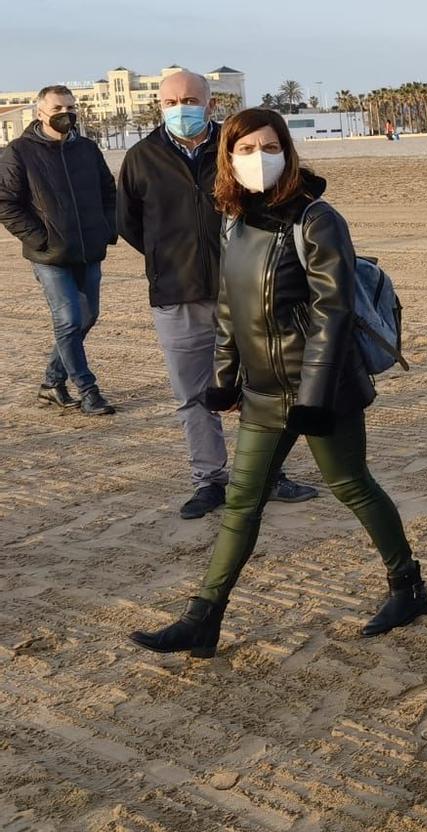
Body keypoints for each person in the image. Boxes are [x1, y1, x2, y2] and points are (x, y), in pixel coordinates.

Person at [130, 108, 427, 659]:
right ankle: (203, 619)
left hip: (320, 390)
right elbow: (228, 307)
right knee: (243, 501)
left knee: (351, 485)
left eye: (268, 147)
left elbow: (332, 313)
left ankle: (408, 585)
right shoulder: (234, 218)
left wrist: (314, 398)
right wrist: (223, 380)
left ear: (287, 151)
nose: (257, 158)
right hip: (263, 393)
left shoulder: (316, 219)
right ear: (228, 157)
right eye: (244, 149)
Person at [116, 70, 317, 516]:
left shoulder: (235, 151)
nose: (180, 108)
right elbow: (130, 224)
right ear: (160, 107)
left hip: (244, 293)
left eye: (190, 99)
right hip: (177, 295)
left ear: (209, 105)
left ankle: (266, 474)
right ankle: (210, 480)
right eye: (171, 102)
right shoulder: (141, 157)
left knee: (256, 387)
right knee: (194, 396)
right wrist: (168, 259)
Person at [0, 85, 119, 416]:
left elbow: (109, 192)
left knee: (87, 317)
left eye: (70, 106)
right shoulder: (20, 151)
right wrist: (40, 239)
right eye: (57, 108)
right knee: (68, 319)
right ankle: (88, 389)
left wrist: (107, 229)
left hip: (89, 250)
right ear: (40, 113)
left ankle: (52, 382)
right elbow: (6, 203)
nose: (65, 113)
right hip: (50, 255)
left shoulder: (88, 149)